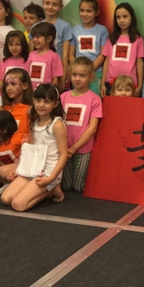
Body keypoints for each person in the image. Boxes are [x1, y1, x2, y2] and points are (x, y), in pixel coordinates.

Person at [1, 84, 68, 211]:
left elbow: (63, 154)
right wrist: (19, 171)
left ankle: (52, 188)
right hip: (34, 168)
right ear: (33, 101)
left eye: (46, 102)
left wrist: (51, 178)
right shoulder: (35, 123)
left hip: (48, 172)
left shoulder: (57, 124)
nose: (41, 105)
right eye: (38, 100)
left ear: (55, 104)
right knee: (5, 199)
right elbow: (31, 152)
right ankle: (46, 189)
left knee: (18, 205)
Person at [60, 57, 102, 192]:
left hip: (83, 147)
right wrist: (64, 147)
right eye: (74, 75)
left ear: (90, 77)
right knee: (65, 186)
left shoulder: (95, 99)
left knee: (78, 187)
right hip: (64, 147)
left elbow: (92, 128)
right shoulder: (63, 97)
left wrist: (75, 147)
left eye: (82, 75)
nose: (77, 79)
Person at [100, 3, 144, 97]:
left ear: (132, 18)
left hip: (130, 84)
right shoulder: (111, 39)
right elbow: (107, 61)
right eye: (118, 17)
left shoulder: (138, 39)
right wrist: (103, 83)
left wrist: (140, 85)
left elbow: (139, 62)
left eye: (125, 17)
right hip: (111, 82)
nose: (121, 20)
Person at [69, 0, 109, 95]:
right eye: (82, 10)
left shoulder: (102, 30)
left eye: (89, 11)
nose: (85, 14)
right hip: (78, 74)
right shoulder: (75, 30)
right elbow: (71, 54)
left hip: (96, 73)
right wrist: (78, 69)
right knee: (79, 99)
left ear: (97, 12)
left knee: (94, 99)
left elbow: (103, 54)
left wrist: (89, 70)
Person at [41, 0, 72, 80]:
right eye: (47, 3)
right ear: (43, 3)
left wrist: (63, 77)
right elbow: (31, 52)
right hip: (41, 68)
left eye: (55, 4)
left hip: (57, 70)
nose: (50, 7)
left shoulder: (65, 26)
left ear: (61, 7)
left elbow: (65, 55)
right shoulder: (37, 26)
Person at [25, 22, 63, 90]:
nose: (34, 40)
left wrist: (52, 92)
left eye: (38, 37)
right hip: (31, 92)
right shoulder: (31, 55)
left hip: (46, 93)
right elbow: (26, 75)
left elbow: (55, 78)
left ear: (49, 39)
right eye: (33, 37)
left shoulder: (54, 56)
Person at [0, 68, 33, 135]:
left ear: (25, 86)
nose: (9, 88)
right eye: (7, 84)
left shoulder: (32, 108)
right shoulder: (3, 108)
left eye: (13, 84)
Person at [0, 30, 29, 97]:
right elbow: (0, 80)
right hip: (5, 96)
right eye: (11, 45)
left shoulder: (27, 61)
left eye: (18, 45)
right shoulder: (4, 61)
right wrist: (7, 92)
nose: (14, 48)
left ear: (23, 45)